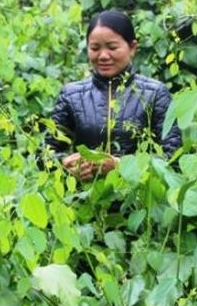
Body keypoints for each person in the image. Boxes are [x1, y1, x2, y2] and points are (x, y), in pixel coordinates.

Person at [46, 10, 181, 180]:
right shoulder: (71, 95)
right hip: (85, 201)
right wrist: (67, 166)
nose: (103, 56)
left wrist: (119, 165)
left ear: (132, 48)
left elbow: (173, 158)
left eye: (112, 47)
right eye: (95, 48)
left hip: (139, 201)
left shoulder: (155, 94)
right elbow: (45, 155)